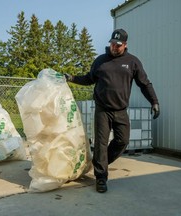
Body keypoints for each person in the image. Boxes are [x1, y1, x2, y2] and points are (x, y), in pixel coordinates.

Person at [65, 28, 160, 193]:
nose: (114, 48)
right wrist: (72, 78)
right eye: (112, 44)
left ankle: (100, 162)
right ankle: (101, 177)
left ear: (125, 45)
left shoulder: (132, 62)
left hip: (121, 109)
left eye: (118, 45)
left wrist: (154, 101)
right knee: (101, 144)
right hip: (102, 109)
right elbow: (89, 78)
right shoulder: (101, 61)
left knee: (122, 141)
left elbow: (144, 83)